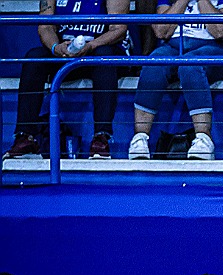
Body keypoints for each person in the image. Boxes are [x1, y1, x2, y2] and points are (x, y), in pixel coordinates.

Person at [3, 0, 130, 160]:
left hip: (100, 49)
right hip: (66, 52)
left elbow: (118, 29)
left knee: (104, 58)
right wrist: (56, 48)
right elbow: (45, 26)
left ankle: (101, 138)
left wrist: (90, 46)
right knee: (34, 58)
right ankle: (25, 138)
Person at [128, 0, 223, 160]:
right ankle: (140, 139)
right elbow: (161, 31)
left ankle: (203, 138)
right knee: (155, 63)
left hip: (214, 48)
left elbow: (220, 31)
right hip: (173, 47)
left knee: (190, 65)